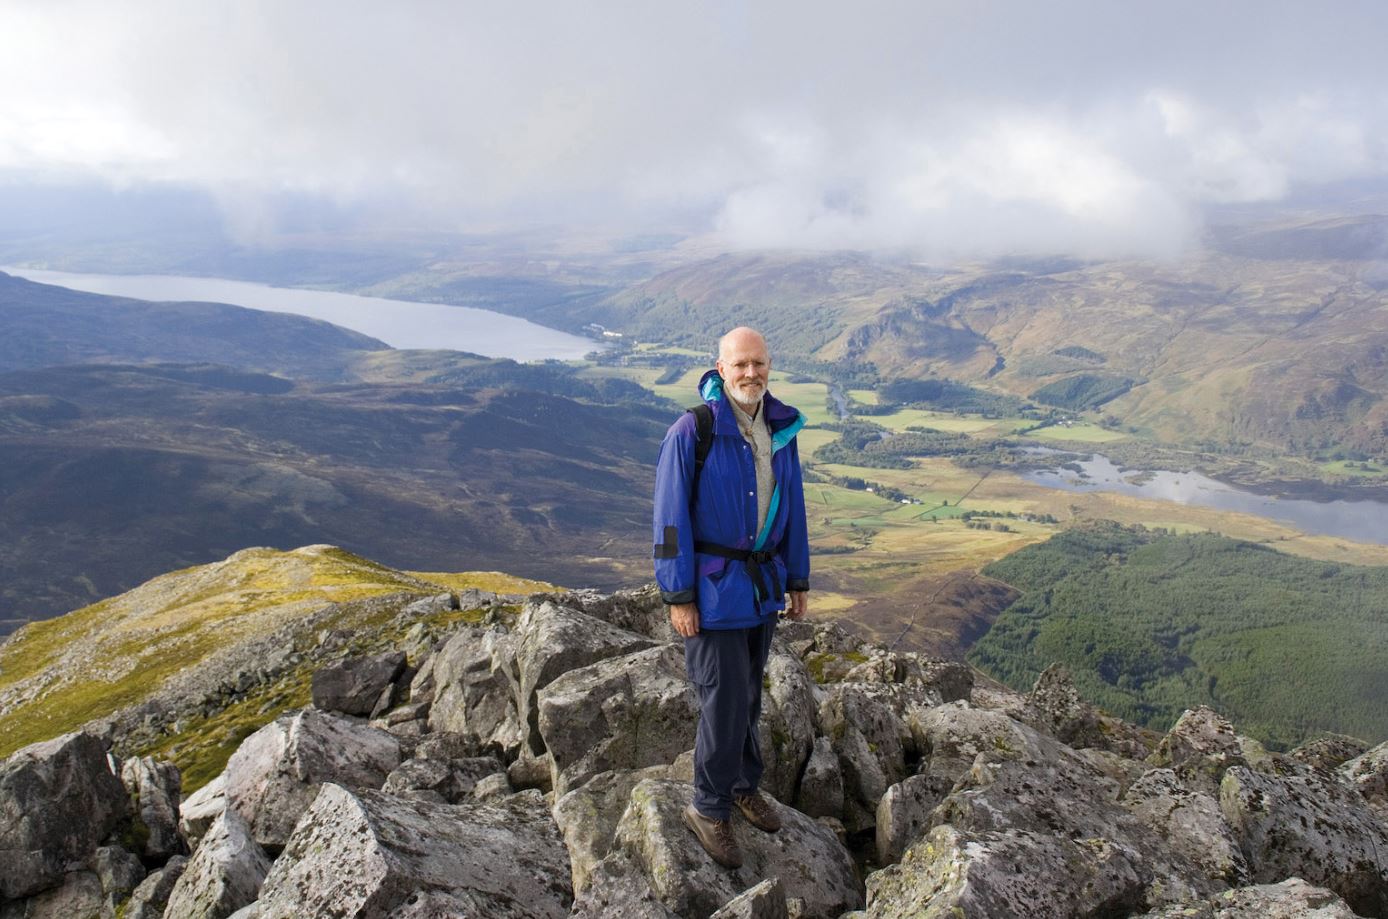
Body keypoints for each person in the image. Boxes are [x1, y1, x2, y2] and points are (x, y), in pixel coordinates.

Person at [651, 326, 810, 869]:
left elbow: (795, 508)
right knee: (721, 702)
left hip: (761, 590)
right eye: (739, 365)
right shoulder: (691, 432)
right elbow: (669, 524)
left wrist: (798, 580)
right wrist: (678, 595)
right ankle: (707, 805)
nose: (750, 374)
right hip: (714, 594)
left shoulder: (780, 428)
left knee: (747, 696)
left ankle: (743, 784)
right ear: (720, 369)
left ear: (769, 366)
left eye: (758, 364)